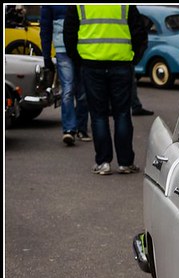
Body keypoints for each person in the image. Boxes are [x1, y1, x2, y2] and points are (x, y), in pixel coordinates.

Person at [64, 5, 148, 175]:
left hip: (92, 64)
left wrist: (79, 60)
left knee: (98, 115)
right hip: (121, 63)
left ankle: (103, 162)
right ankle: (125, 163)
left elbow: (69, 34)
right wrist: (133, 58)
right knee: (123, 114)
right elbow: (139, 32)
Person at [39, 5, 90, 145]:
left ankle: (72, 129)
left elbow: (45, 28)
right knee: (78, 90)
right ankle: (75, 129)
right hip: (78, 48)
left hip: (69, 48)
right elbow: (45, 28)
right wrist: (46, 56)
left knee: (72, 89)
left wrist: (47, 56)